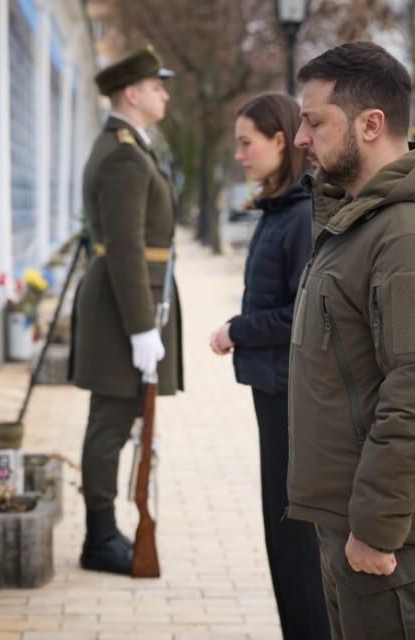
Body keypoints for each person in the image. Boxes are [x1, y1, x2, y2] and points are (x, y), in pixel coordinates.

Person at [288, 42, 415, 638]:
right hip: (355, 518)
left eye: (314, 120)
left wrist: (376, 527)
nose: (302, 137)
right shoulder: (364, 220)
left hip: (386, 539)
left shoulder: (412, 237)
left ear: (371, 124)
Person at [208, 92, 328, 639]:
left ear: (281, 141)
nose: (240, 154)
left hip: (289, 392)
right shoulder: (281, 209)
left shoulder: (300, 214)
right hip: (271, 387)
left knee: (294, 537)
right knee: (281, 534)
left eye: (247, 143)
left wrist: (237, 330)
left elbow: (301, 310)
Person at [69, 43, 183, 575]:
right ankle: (100, 537)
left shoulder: (131, 146)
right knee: (110, 424)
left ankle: (104, 531)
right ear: (132, 94)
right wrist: (141, 328)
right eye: (156, 86)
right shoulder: (122, 154)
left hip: (131, 302)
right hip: (123, 307)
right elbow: (125, 248)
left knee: (116, 420)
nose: (164, 93)